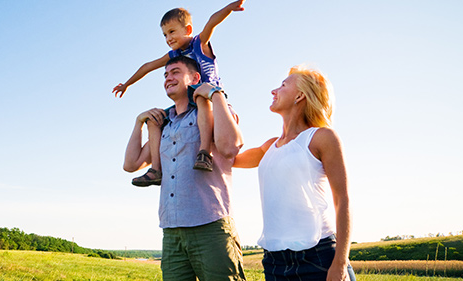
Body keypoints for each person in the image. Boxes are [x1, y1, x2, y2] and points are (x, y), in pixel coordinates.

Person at [123, 56, 245, 281]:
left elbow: (231, 147)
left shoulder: (211, 110)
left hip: (210, 226)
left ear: (195, 78)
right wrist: (138, 122)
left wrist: (215, 94)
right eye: (166, 75)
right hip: (171, 231)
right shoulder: (164, 125)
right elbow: (130, 165)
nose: (169, 78)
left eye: (176, 72)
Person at [230, 65, 356, 281]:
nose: (274, 90)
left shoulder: (322, 138)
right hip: (274, 261)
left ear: (300, 96)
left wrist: (340, 262)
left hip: (318, 255)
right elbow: (227, 159)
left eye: (283, 85)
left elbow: (342, 200)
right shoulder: (269, 147)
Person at [114, 1, 245, 187]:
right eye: (165, 34)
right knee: (154, 119)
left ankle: (204, 153)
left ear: (188, 29)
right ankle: (156, 170)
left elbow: (211, 23)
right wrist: (127, 83)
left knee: (200, 95)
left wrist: (228, 9)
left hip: (209, 95)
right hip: (189, 101)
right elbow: (148, 66)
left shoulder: (199, 44)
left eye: (172, 32)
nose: (168, 38)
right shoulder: (174, 55)